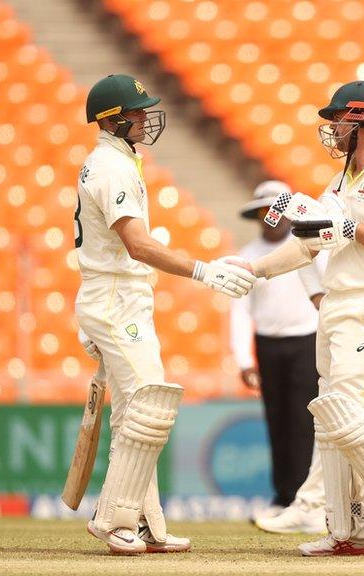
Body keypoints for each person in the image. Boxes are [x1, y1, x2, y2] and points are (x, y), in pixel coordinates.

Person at [244, 80, 364, 556]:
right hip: (335, 307)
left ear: (363, 120)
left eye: (339, 119)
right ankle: (348, 532)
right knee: (330, 419)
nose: (331, 128)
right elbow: (310, 244)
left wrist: (348, 228)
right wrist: (253, 270)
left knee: (349, 413)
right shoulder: (339, 181)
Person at [73, 74, 256, 555]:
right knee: (149, 407)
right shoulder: (111, 168)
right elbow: (137, 245)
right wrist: (204, 271)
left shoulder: (115, 161)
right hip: (116, 298)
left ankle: (146, 522)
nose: (144, 118)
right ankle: (114, 520)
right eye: (135, 112)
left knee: (138, 414)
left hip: (116, 298)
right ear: (111, 120)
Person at [229, 180, 324, 520]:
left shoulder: (307, 249)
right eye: (264, 212)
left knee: (303, 421)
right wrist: (244, 358)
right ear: (256, 217)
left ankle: (304, 498)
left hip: (306, 340)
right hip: (268, 343)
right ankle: (283, 496)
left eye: (277, 211)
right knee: (276, 421)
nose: (272, 218)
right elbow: (239, 311)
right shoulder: (248, 256)